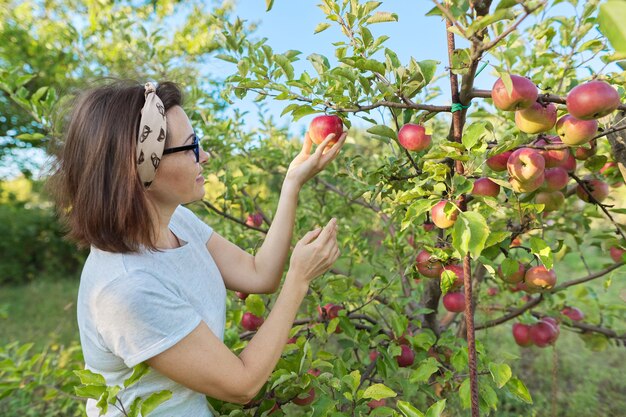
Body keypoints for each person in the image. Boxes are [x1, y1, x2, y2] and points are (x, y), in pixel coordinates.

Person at [48, 80, 347, 416]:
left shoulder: (177, 222)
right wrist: (299, 279)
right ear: (141, 168)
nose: (204, 156)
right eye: (191, 147)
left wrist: (292, 182)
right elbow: (242, 384)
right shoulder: (127, 288)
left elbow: (258, 274)